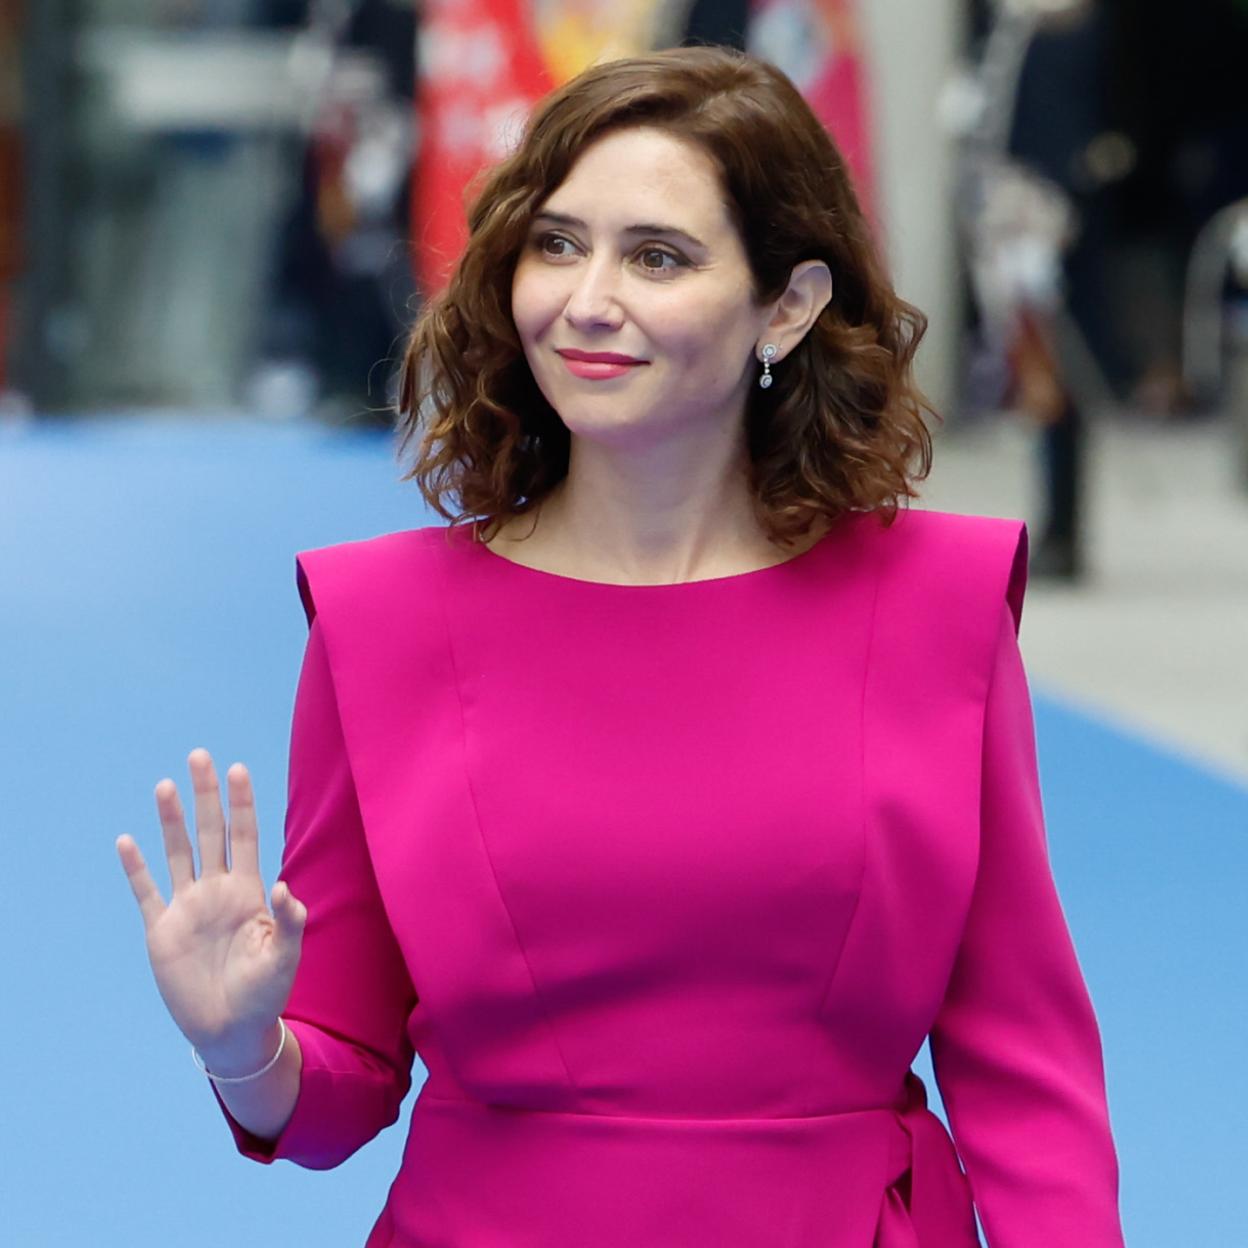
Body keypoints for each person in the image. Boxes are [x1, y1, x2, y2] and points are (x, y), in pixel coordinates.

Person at [116, 45, 1125, 1247]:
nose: (587, 301)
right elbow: (338, 1091)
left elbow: (1026, 1064)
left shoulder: (937, 610)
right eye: (557, 244)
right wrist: (244, 1047)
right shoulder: (379, 625)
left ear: (788, 305)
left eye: (658, 257)